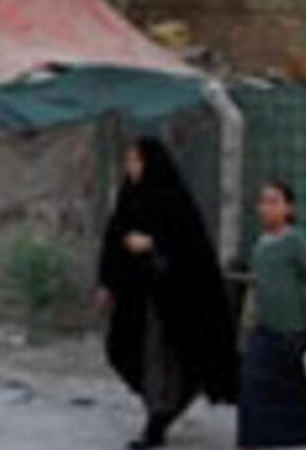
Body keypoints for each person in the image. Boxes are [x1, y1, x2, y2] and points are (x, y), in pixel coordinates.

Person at [94, 136, 238, 449]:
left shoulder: (172, 199)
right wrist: (107, 283)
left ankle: (157, 420)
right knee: (124, 350)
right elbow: (113, 240)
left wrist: (152, 242)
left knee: (160, 358)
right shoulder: (129, 198)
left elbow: (189, 245)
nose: (130, 168)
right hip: (137, 296)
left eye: (135, 161)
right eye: (129, 161)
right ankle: (165, 406)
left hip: (173, 299)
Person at [239, 181, 306, 449]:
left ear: (289, 208)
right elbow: (258, 287)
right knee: (252, 389)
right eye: (263, 201)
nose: (267, 207)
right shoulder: (260, 245)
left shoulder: (295, 241)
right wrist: (248, 323)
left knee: (305, 394)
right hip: (266, 332)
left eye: (274, 201)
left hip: (295, 335)